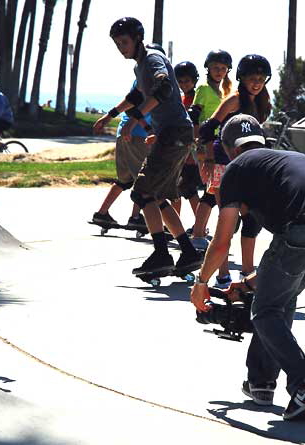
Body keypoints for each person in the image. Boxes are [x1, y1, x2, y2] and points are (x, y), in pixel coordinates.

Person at [190, 114, 305, 421]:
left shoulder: (237, 168)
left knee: (264, 311)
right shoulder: (285, 159)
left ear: (229, 148)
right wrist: (251, 282)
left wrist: (201, 283)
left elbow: (222, 239)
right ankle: (261, 382)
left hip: (303, 226)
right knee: (279, 301)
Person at [94, 17, 202, 276]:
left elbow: (163, 88)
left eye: (124, 42)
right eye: (117, 44)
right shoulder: (140, 66)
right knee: (157, 197)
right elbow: (136, 96)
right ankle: (187, 252)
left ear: (137, 39)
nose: (121, 48)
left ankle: (162, 255)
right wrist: (110, 115)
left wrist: (134, 120)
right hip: (175, 133)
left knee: (141, 193)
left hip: (174, 133)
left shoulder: (152, 59)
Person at [197, 54, 273, 288]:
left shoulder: (263, 103)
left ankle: (248, 273)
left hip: (249, 165)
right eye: (252, 78)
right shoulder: (234, 100)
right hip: (223, 164)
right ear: (241, 78)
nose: (257, 82)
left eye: (261, 78)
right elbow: (209, 128)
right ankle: (222, 273)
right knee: (228, 222)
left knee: (251, 220)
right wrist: (208, 157)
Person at [92, 80, 151, 232]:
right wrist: (147, 127)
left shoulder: (140, 79)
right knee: (143, 179)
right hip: (139, 135)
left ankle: (102, 213)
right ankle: (136, 218)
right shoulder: (150, 80)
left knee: (124, 180)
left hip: (124, 133)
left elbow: (130, 103)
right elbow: (133, 107)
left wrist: (108, 117)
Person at [188, 50, 233, 248]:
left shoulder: (226, 90)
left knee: (212, 191)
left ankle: (199, 233)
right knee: (213, 192)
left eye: (223, 68)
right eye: (216, 67)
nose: (219, 71)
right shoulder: (204, 89)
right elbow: (195, 117)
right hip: (208, 145)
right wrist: (199, 147)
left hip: (222, 145)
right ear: (207, 68)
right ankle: (199, 234)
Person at [173, 60, 201, 218]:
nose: (184, 84)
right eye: (180, 81)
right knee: (177, 189)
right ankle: (172, 224)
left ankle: (200, 225)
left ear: (194, 81)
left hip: (190, 154)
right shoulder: (181, 99)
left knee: (188, 190)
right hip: (180, 153)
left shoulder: (197, 100)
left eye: (187, 81)